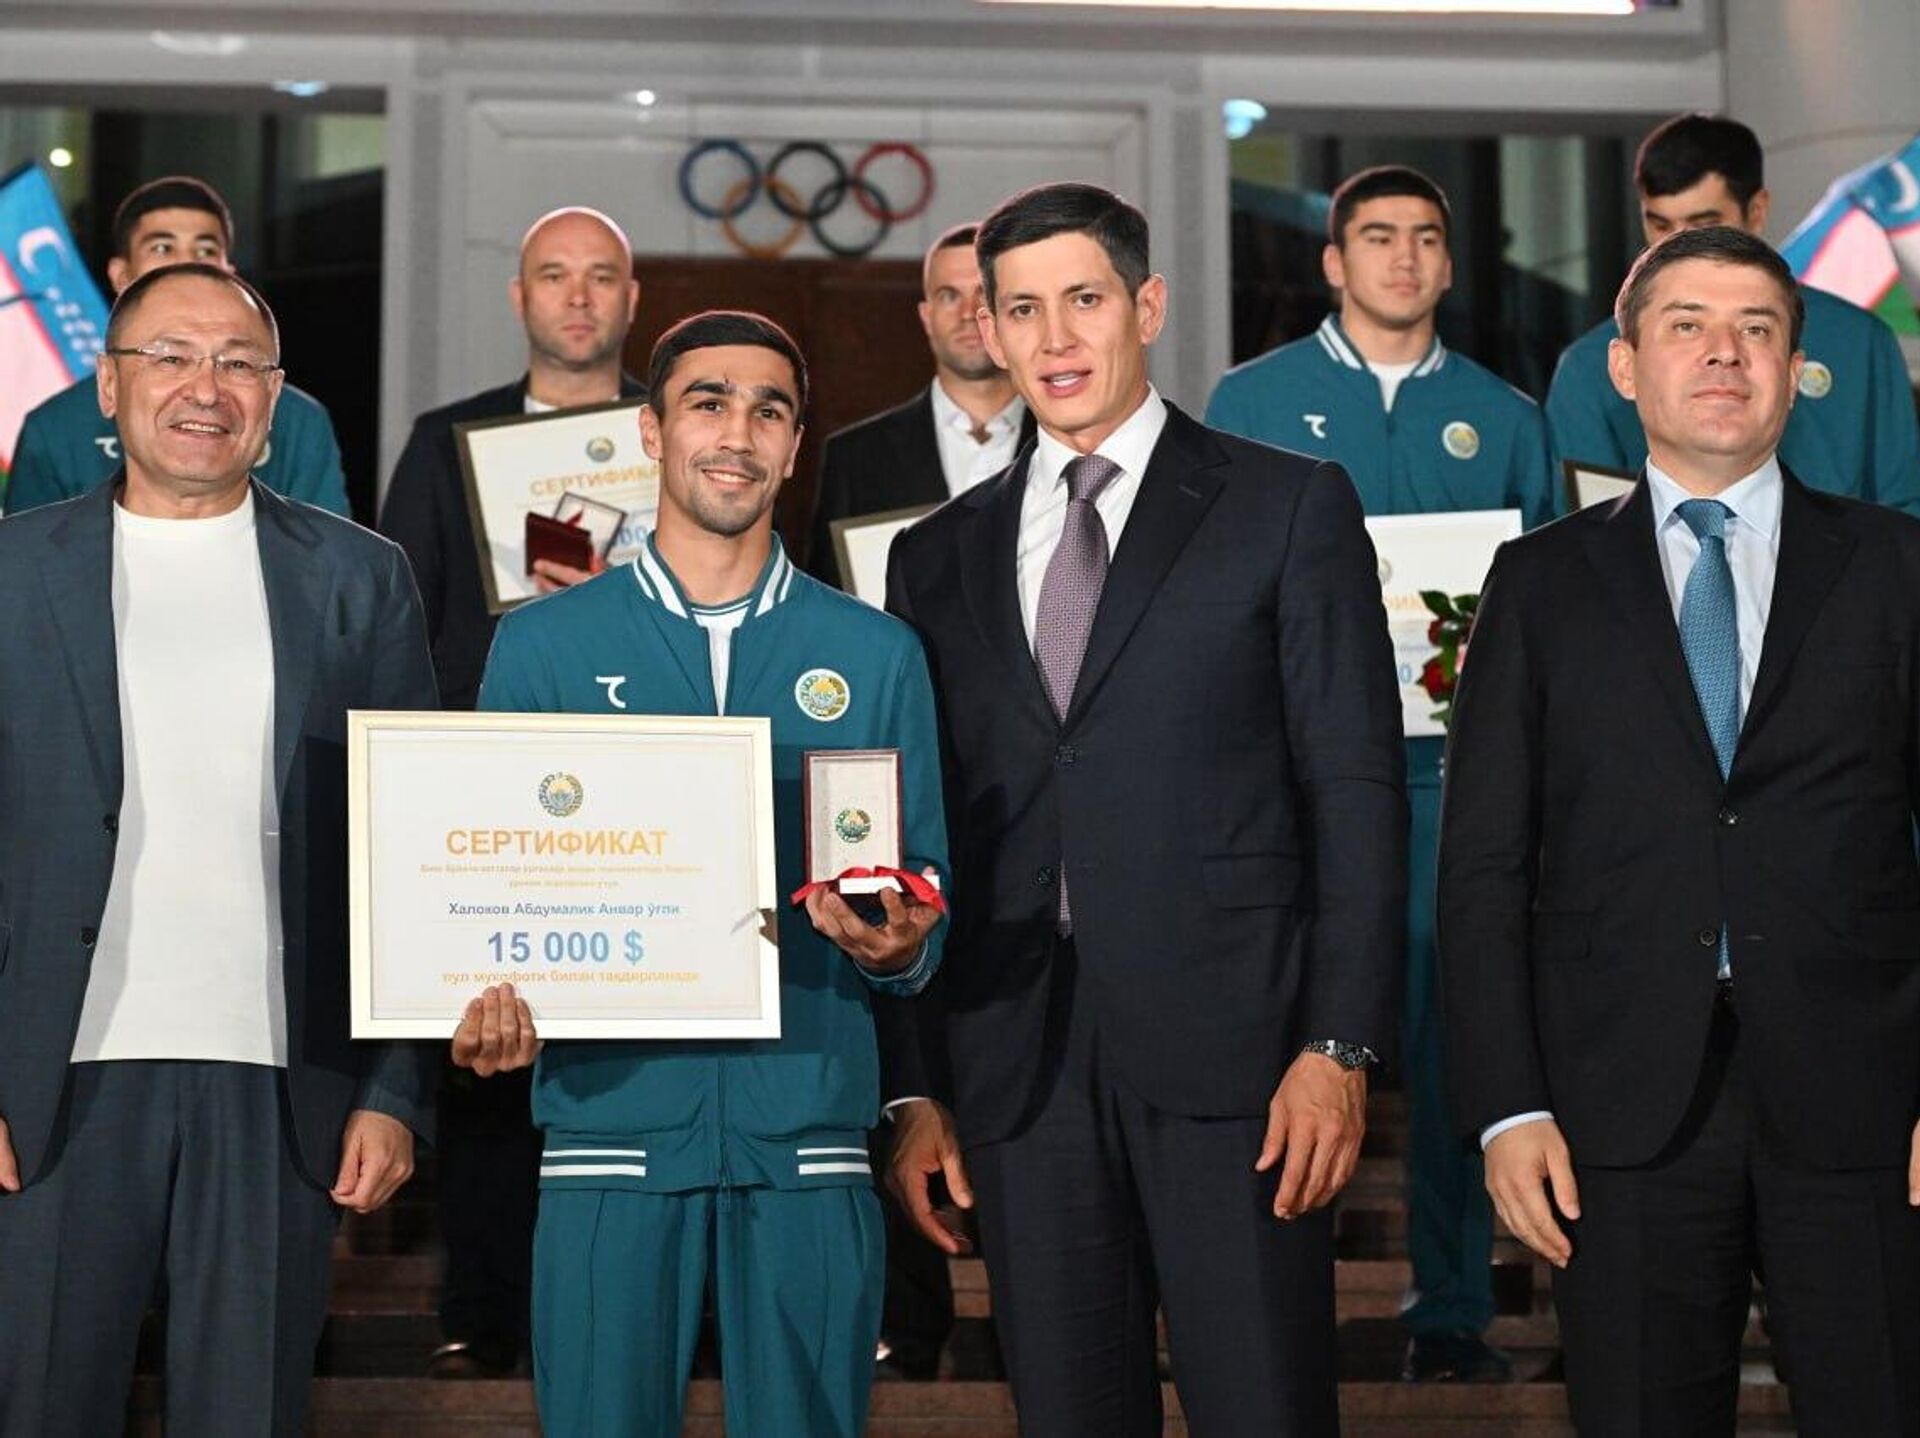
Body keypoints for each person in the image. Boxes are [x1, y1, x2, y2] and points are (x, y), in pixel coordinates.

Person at [883, 182, 1406, 1436]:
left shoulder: (1288, 503)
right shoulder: (932, 555)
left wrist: (1339, 1045)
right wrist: (915, 1087)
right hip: (1016, 1060)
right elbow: (911, 833)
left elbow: (1355, 792)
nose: (1055, 337)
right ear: (988, 330)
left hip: (1244, 1057)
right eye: (1022, 309)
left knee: (1263, 1406)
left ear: (1148, 305)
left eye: (1084, 299)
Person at [1441, 225, 1920, 1435]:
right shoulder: (1537, 583)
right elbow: (1484, 866)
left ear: (1795, 369)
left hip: (1865, 1100)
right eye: (1687, 326)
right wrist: (1508, 1106)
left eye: (1757, 330)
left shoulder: (1897, 567)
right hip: (1614, 1110)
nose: (1724, 354)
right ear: (1624, 364)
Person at [451, 309, 950, 1438]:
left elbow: (926, 887)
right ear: (652, 430)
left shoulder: (875, 651)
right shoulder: (543, 647)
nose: (738, 431)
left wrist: (902, 942)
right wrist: (474, 999)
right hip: (607, 1130)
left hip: (810, 1131)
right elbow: (487, 894)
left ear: (796, 445)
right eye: (707, 402)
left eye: (769, 410)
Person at [0, 263, 435, 1438]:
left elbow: (408, 855)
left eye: (239, 363)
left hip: (284, 1088)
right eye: (171, 356)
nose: (206, 387)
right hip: (50, 1082)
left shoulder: (360, 578)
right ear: (108, 385)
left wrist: (395, 1088)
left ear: (275, 396)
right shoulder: (12, 571)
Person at [1207, 164, 1549, 1384]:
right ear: (1333, 261)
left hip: (1458, 785)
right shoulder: (1250, 401)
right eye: (1376, 237)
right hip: (1296, 788)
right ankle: (1264, 1294)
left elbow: (1545, 610)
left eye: (1424, 238)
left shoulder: (1507, 418)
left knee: (1458, 1044)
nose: (1403, 257)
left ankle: (1450, 1308)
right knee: (1288, 1044)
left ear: (1449, 264)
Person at [376, 204, 642, 1377]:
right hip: (488, 799)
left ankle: (644, 1314)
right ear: (518, 295)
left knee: (638, 1055)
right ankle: (485, 1317)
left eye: (601, 276)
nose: (578, 297)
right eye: (554, 275)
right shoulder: (447, 442)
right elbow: (400, 623)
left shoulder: (678, 430)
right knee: (492, 1053)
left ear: (632, 297)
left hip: (646, 798)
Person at [1546, 113, 1920, 515]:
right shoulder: (1590, 367)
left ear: (1756, 210)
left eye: (1703, 225)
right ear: (1624, 369)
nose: (1681, 245)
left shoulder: (1859, 341)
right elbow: (1583, 530)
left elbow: (1903, 513)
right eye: (1661, 225)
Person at [4, 175, 350, 518]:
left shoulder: (298, 420)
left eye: (206, 250)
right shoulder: (54, 426)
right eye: (162, 248)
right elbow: (31, 547)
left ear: (229, 271)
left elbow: (323, 544)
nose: (187, 262)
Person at [806, 221, 1033, 590]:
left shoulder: (1075, 442)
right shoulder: (854, 458)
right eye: (949, 295)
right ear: (927, 317)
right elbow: (825, 598)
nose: (968, 312)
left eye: (984, 293)